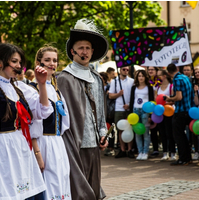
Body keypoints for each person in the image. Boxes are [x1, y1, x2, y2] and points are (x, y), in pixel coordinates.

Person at [0, 43, 53, 199]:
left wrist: (41, 84)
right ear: (0, 62)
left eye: (20, 62)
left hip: (20, 149)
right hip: (0, 151)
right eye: (14, 61)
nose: (18, 66)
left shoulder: (19, 87)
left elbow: (42, 111)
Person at [57, 18, 108, 200]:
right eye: (80, 48)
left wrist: (103, 133)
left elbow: (101, 111)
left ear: (92, 51)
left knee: (93, 189)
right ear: (72, 51)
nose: (84, 52)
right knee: (78, 192)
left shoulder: (96, 78)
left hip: (94, 144)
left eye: (87, 48)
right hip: (74, 145)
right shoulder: (64, 78)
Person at [30, 45, 71, 200]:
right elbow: (31, 124)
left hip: (57, 143)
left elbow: (64, 122)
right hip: (43, 143)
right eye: (47, 60)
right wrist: (37, 153)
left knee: (61, 178)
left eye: (54, 60)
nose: (52, 63)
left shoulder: (56, 89)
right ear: (39, 62)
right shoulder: (32, 88)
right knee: (48, 181)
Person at [166, 63, 194, 166]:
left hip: (180, 111)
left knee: (178, 136)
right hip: (189, 109)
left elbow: (179, 97)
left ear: (168, 73)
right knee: (184, 135)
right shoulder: (185, 77)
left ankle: (183, 158)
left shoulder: (176, 80)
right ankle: (188, 158)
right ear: (177, 68)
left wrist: (169, 98)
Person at [109, 66, 134, 158]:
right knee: (120, 129)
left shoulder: (131, 81)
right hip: (119, 108)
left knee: (130, 128)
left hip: (129, 108)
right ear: (120, 70)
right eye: (124, 69)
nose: (126, 71)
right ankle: (122, 150)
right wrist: (118, 94)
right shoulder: (114, 81)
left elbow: (134, 95)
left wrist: (129, 105)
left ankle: (130, 149)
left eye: (127, 70)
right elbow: (110, 96)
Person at [129, 70, 154, 160]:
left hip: (145, 111)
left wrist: (151, 115)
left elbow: (151, 101)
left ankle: (145, 152)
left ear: (145, 77)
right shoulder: (134, 88)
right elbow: (132, 101)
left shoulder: (149, 88)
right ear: (137, 77)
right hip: (135, 111)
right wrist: (130, 114)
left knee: (145, 132)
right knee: (137, 132)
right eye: (139, 76)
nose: (141, 77)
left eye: (142, 76)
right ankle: (140, 152)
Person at [156, 69, 176, 161]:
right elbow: (156, 100)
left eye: (159, 75)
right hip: (160, 113)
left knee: (170, 133)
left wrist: (166, 103)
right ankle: (165, 152)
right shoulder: (157, 87)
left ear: (164, 76)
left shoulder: (171, 86)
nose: (157, 77)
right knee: (162, 133)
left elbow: (173, 100)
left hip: (169, 112)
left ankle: (173, 152)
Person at [147, 66, 161, 157]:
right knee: (153, 130)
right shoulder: (147, 82)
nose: (150, 71)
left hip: (160, 108)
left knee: (162, 130)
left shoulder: (160, 81)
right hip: (150, 108)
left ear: (156, 70)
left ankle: (166, 150)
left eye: (152, 69)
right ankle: (155, 149)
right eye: (149, 69)